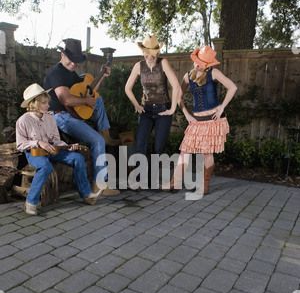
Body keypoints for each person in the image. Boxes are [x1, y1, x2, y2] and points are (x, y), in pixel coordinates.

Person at [43, 38, 120, 196]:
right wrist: (85, 100)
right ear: (63, 55)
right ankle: (99, 185)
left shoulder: (70, 73)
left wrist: (102, 76)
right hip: (59, 116)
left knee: (97, 99)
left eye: (76, 61)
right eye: (71, 60)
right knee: (96, 141)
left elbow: (89, 92)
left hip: (70, 113)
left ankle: (104, 131)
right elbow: (66, 99)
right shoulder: (57, 73)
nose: (73, 64)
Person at [16, 84, 104, 216]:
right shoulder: (23, 121)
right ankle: (31, 203)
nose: (48, 106)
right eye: (44, 103)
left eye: (47, 102)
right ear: (34, 104)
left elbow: (55, 140)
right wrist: (38, 142)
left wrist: (67, 146)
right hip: (35, 153)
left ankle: (87, 196)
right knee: (46, 167)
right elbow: (20, 145)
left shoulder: (50, 117)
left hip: (53, 150)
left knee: (77, 158)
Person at [161, 45, 237, 194]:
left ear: (207, 65)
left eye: (201, 64)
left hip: (212, 120)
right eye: (196, 62)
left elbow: (232, 87)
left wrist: (222, 108)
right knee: (185, 151)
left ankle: (205, 185)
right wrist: (187, 115)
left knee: (207, 153)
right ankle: (174, 183)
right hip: (196, 121)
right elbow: (178, 98)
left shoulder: (214, 73)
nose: (197, 65)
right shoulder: (188, 76)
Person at [125, 34, 180, 188]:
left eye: (152, 52)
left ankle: (153, 180)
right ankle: (140, 180)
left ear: (157, 52)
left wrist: (172, 109)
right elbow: (127, 88)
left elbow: (176, 86)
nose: (149, 56)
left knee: (157, 147)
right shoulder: (138, 66)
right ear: (143, 52)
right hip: (146, 110)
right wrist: (136, 104)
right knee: (140, 144)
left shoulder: (164, 63)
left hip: (163, 109)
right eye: (146, 52)